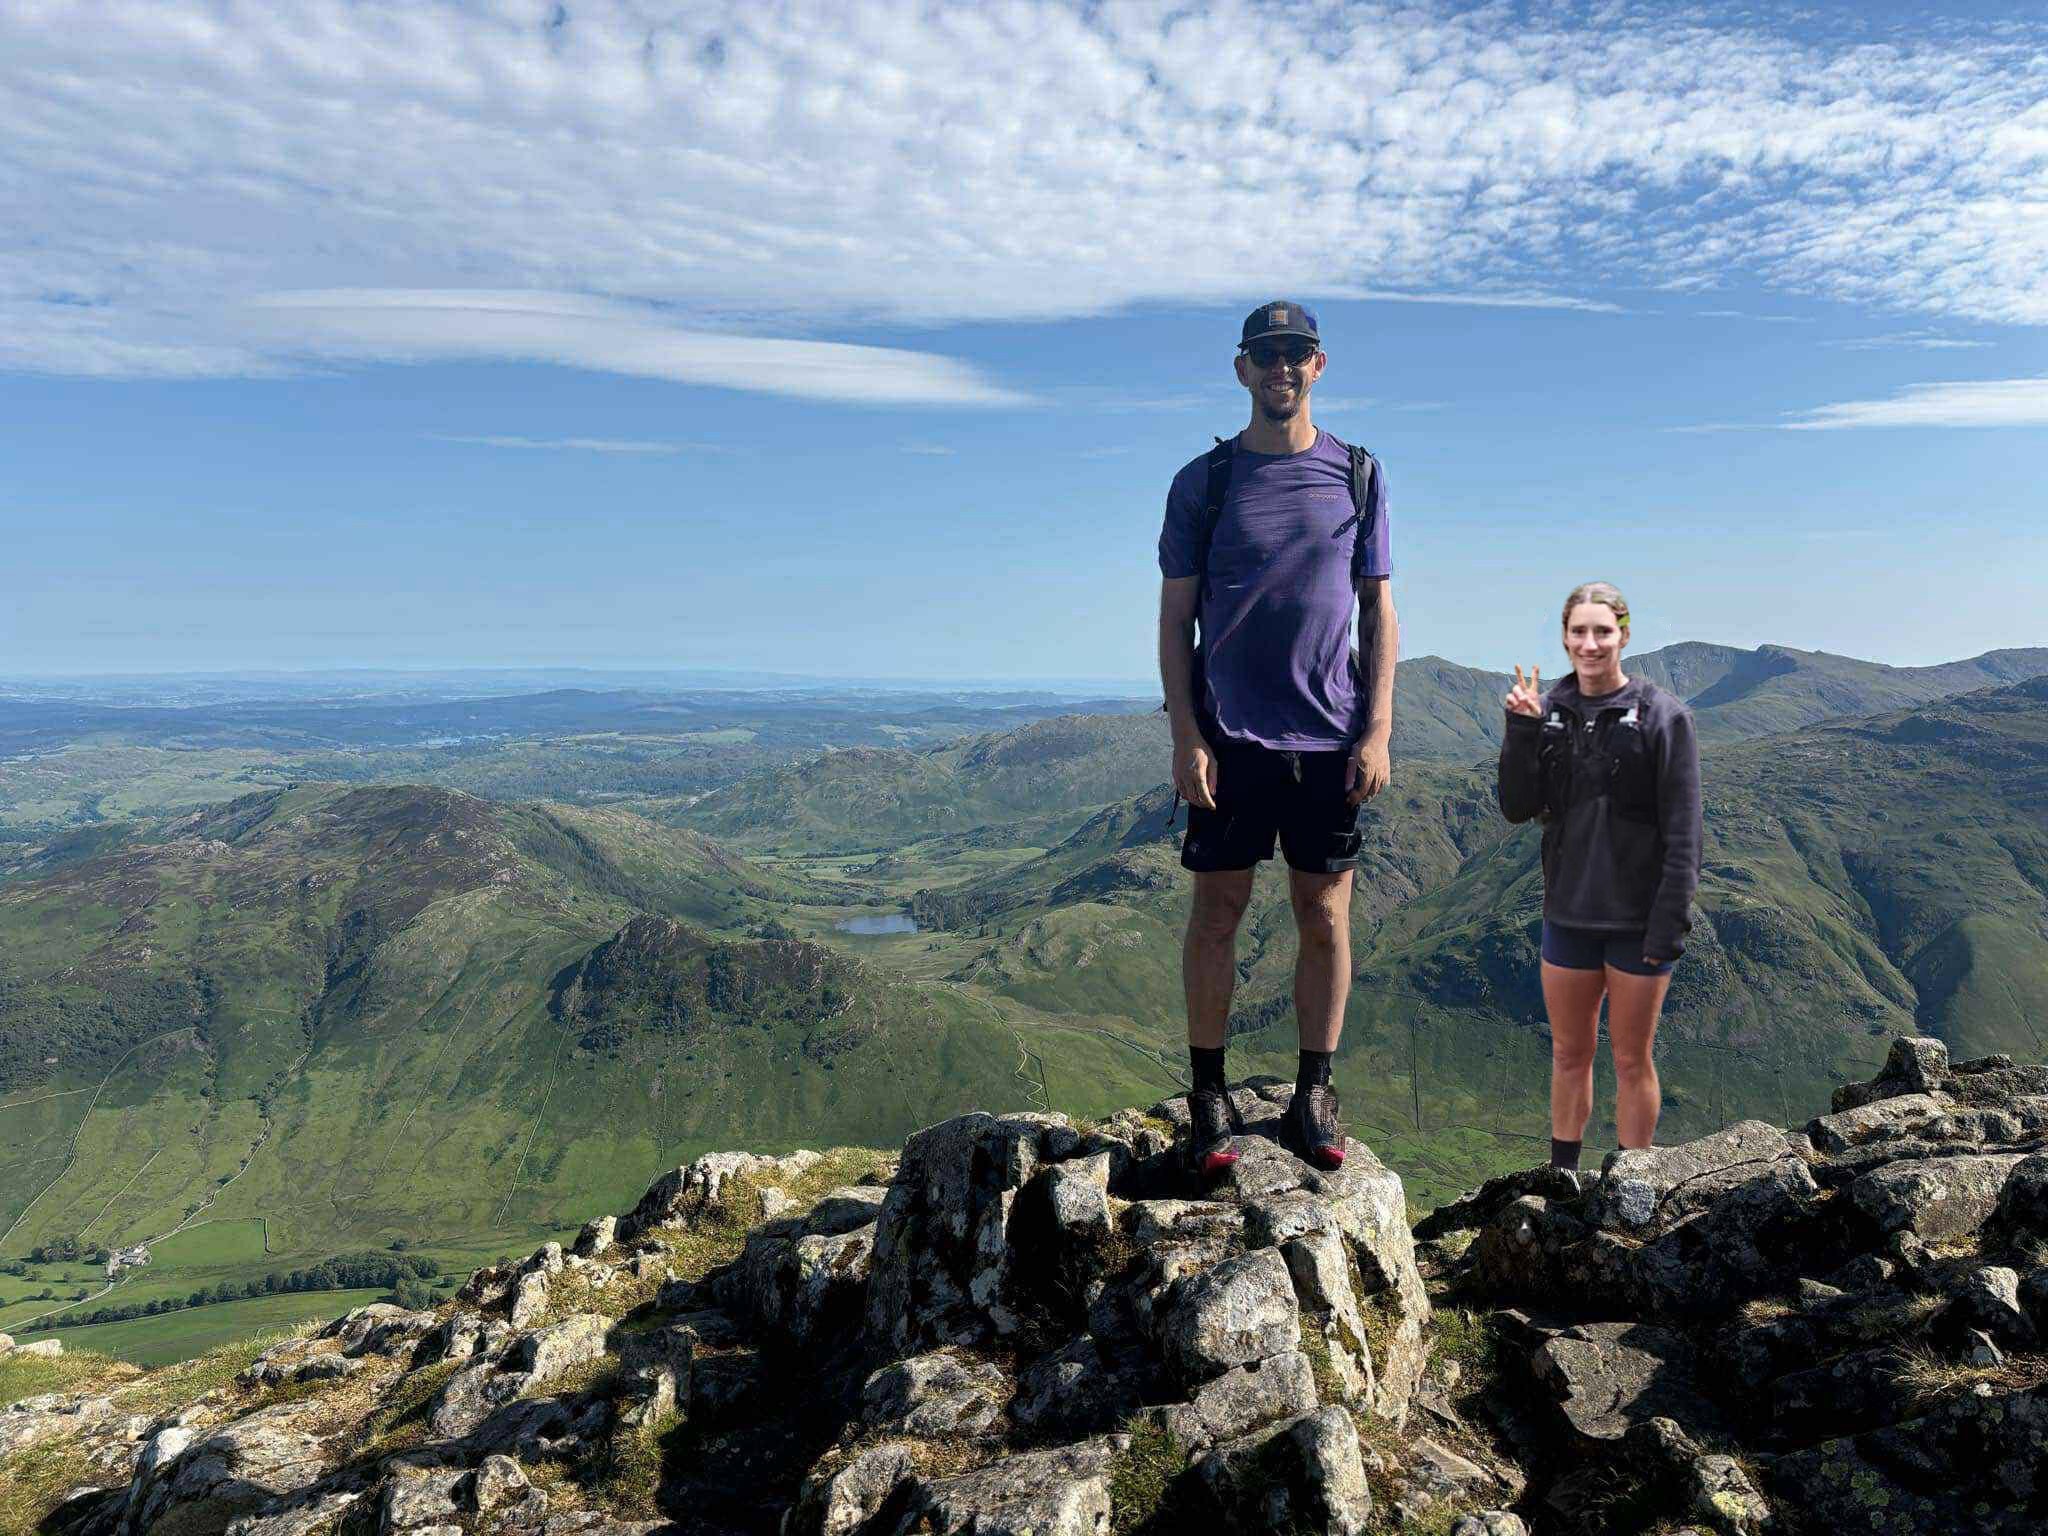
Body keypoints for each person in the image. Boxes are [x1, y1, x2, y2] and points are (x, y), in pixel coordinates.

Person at [1157, 300, 1397, 1176]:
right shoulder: (1204, 484)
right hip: (1230, 741)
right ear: (1242, 369)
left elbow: (1377, 608)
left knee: (1324, 916)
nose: (1281, 368)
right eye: (1266, 354)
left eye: (1296, 353)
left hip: (1329, 739)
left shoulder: (1359, 475)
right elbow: (1175, 618)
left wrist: (1376, 728)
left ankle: (1314, 1092)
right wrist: (1187, 734)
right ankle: (1208, 1096)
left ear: (1319, 365)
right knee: (1216, 913)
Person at [1496, 582, 1701, 1168]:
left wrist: (1670, 925)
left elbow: (1685, 833)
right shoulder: (1549, 712)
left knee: (1633, 1059)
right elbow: (1516, 805)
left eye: (1602, 631)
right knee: (1568, 1054)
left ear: (1624, 635)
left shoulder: (1664, 718)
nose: (1590, 643)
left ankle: (1633, 1180)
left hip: (1639, 923)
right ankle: (1565, 1177)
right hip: (1568, 917)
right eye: (1578, 631)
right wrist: (1522, 730)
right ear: (1564, 637)